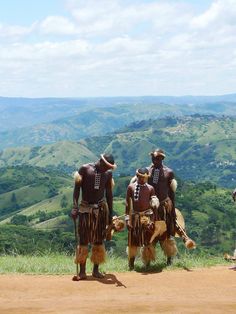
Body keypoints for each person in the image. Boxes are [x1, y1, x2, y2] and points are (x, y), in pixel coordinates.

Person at [71, 153, 116, 279]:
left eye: (109, 168)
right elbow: (76, 190)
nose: (107, 169)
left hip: (101, 210)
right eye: (106, 166)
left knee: (98, 240)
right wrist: (75, 207)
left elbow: (109, 194)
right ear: (101, 161)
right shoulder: (85, 169)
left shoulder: (107, 174)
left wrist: (110, 214)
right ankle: (82, 272)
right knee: (84, 239)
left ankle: (96, 270)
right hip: (85, 209)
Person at [146, 148, 178, 266]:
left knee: (167, 232)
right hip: (151, 208)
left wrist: (173, 210)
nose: (156, 160)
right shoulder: (147, 171)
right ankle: (148, 259)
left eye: (158, 158)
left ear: (162, 158)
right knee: (149, 232)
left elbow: (172, 193)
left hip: (165, 207)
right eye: (154, 158)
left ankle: (169, 259)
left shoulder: (168, 172)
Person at [125, 167, 160, 270]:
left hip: (147, 216)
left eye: (144, 178)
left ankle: (147, 263)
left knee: (148, 240)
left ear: (147, 178)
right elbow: (127, 203)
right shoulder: (131, 187)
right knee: (133, 240)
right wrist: (127, 219)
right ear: (137, 176)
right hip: (135, 216)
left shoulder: (150, 188)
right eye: (140, 177)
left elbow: (154, 203)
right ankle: (131, 264)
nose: (142, 179)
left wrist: (153, 220)